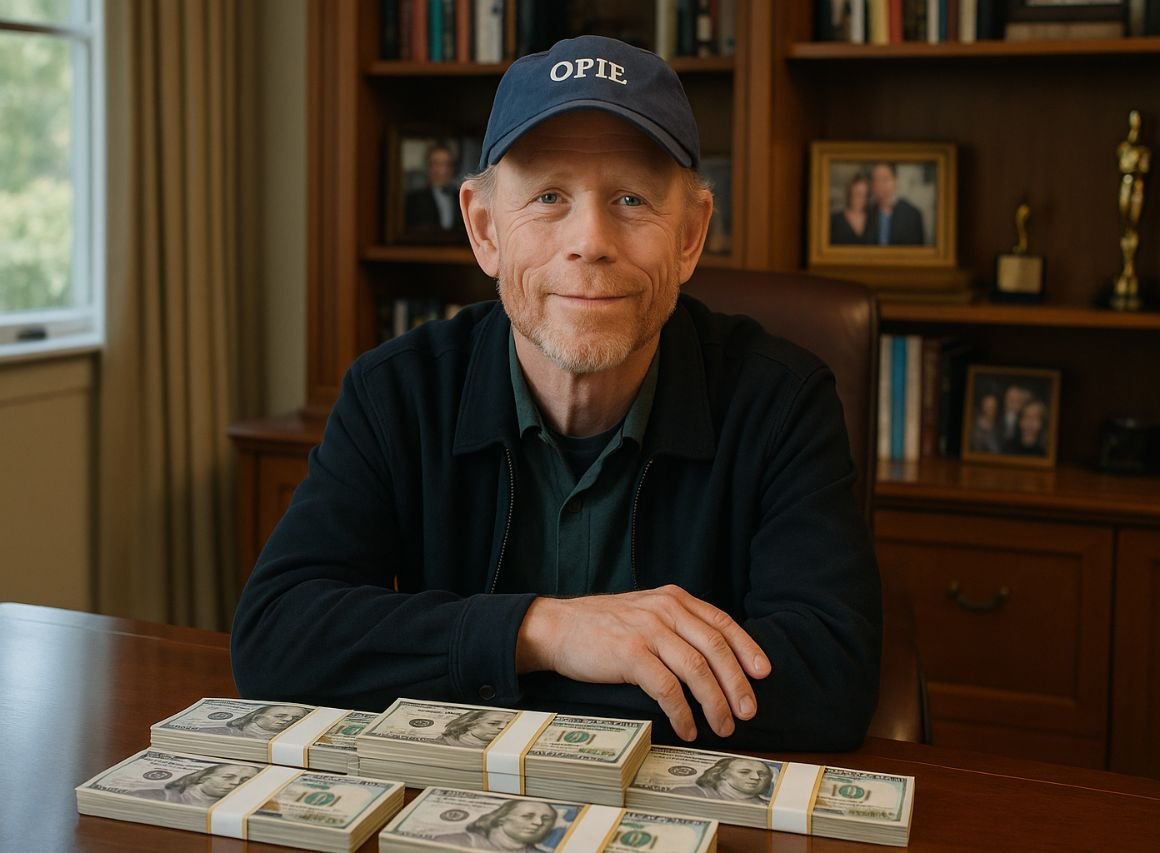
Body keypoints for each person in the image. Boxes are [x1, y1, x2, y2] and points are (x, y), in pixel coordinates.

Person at [231, 35, 881, 752]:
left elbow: (828, 678)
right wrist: (546, 632)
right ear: (484, 230)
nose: (590, 240)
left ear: (691, 234)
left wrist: (473, 670)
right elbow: (277, 636)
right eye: (549, 197)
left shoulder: (781, 401)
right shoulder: (396, 392)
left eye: (631, 198)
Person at [428, 799, 559, 851]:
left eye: (546, 818)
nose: (539, 823)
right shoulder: (451, 843)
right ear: (501, 818)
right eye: (527, 816)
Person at [404, 143, 463, 235]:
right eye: (437, 164)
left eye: (447, 164)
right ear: (428, 167)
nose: (443, 170)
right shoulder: (414, 200)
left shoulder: (461, 198)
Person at [133, 763, 259, 805]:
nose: (236, 783)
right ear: (202, 778)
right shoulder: (156, 796)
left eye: (244, 780)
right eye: (227, 777)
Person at [866, 162, 925, 246]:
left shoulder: (913, 214)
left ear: (895, 181)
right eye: (876, 180)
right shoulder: (866, 212)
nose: (880, 185)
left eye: (885, 179)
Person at [669, 757, 775, 803]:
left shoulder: (765, 804)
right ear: (722, 774)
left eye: (762, 774)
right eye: (744, 772)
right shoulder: (686, 794)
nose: (756, 777)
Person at [200, 704, 309, 739]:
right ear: (258, 718)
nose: (289, 719)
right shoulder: (233, 732)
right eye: (280, 716)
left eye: (296, 718)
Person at [829, 172, 872, 245]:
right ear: (849, 194)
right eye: (858, 194)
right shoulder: (835, 219)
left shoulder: (872, 219)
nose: (862, 199)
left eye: (865, 195)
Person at [435, 709, 513, 748]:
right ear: (470, 725)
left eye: (509, 724)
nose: (503, 727)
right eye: (493, 723)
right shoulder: (444, 742)